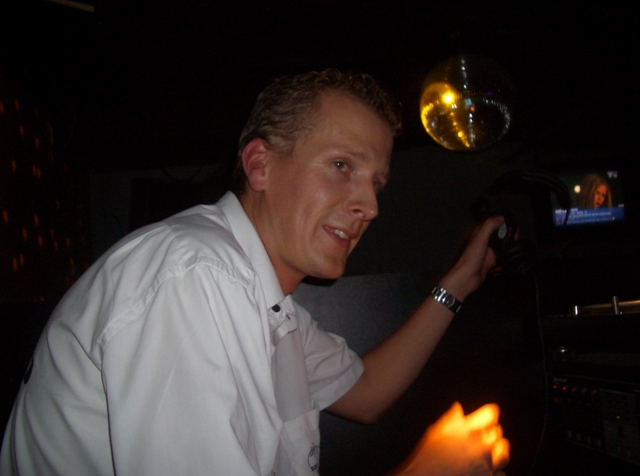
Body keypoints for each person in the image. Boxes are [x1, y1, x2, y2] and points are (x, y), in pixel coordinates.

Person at [0, 69, 508, 475]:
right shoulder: (193, 276)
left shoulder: (268, 308)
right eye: (341, 166)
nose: (370, 206)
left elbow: (368, 391)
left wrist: (459, 281)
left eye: (376, 183)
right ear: (260, 165)